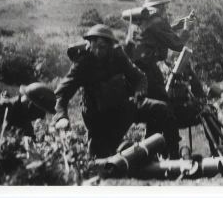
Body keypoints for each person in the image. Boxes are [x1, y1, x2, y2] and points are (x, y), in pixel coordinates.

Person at [53, 24, 180, 159]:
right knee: (100, 159)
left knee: (162, 110)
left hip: (123, 108)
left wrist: (139, 91)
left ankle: (174, 158)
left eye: (104, 47)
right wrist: (61, 116)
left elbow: (140, 77)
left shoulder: (117, 56)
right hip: (98, 119)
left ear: (109, 46)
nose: (99, 51)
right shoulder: (82, 64)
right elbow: (62, 93)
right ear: (90, 43)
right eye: (96, 46)